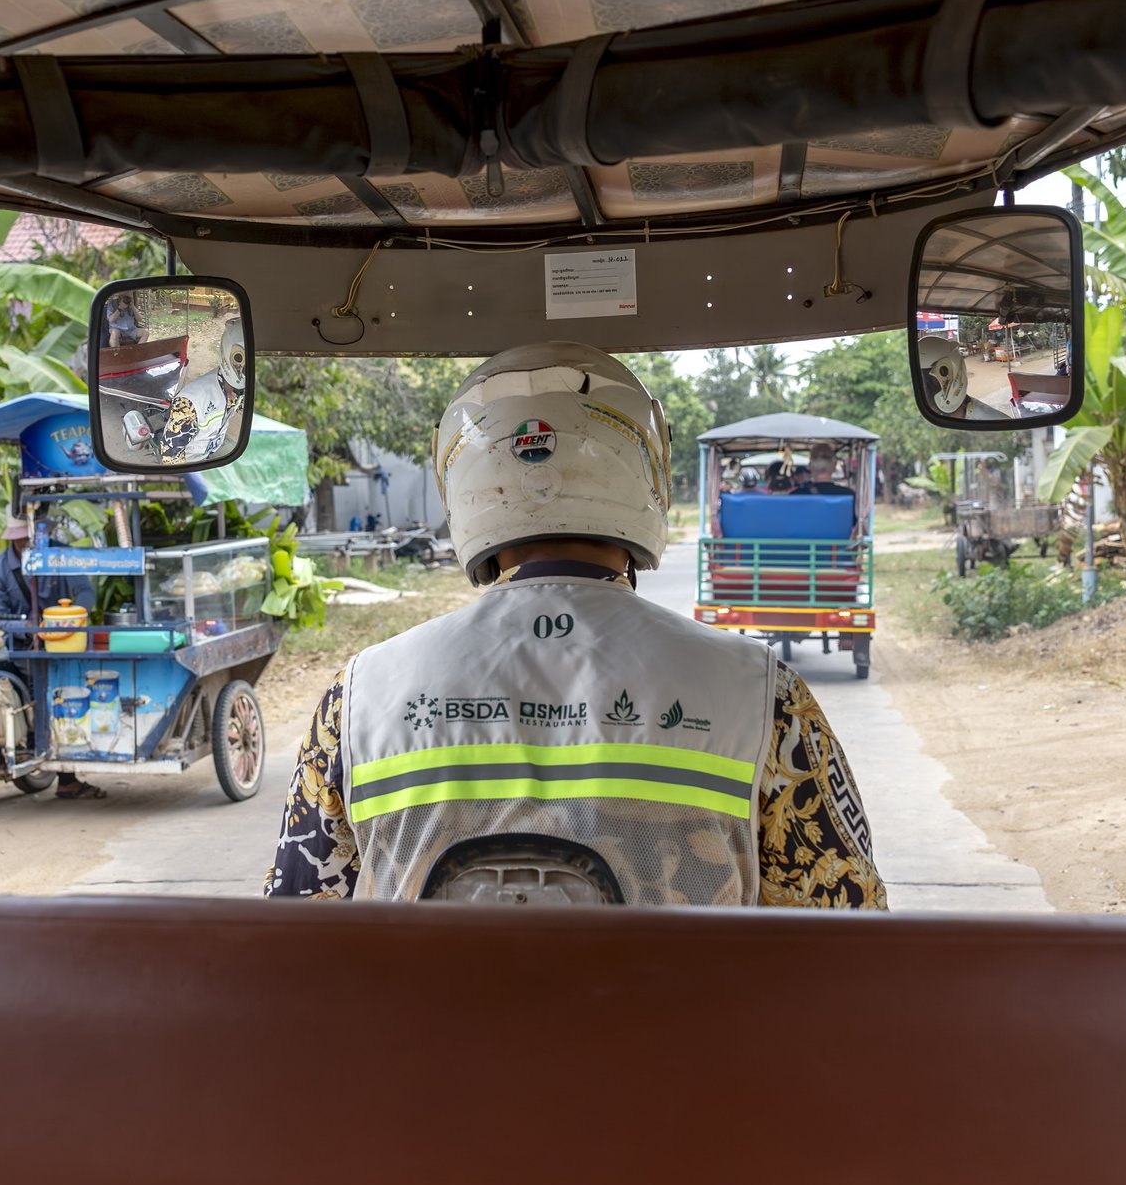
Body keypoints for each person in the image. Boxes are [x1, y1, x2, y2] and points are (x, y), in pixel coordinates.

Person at [264, 343, 885, 908]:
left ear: (463, 490)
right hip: (687, 1034)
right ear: (648, 476)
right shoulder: (763, 694)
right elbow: (849, 924)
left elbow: (295, 931)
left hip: (428, 1035)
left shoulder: (359, 697)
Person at [0, 516, 105, 801]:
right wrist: (30, 629)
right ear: (14, 540)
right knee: (41, 692)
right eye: (24, 540)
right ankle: (60, 772)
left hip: (65, 643)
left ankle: (68, 771)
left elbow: (85, 592)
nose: (30, 543)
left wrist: (70, 619)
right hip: (23, 646)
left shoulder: (61, 554)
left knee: (69, 692)